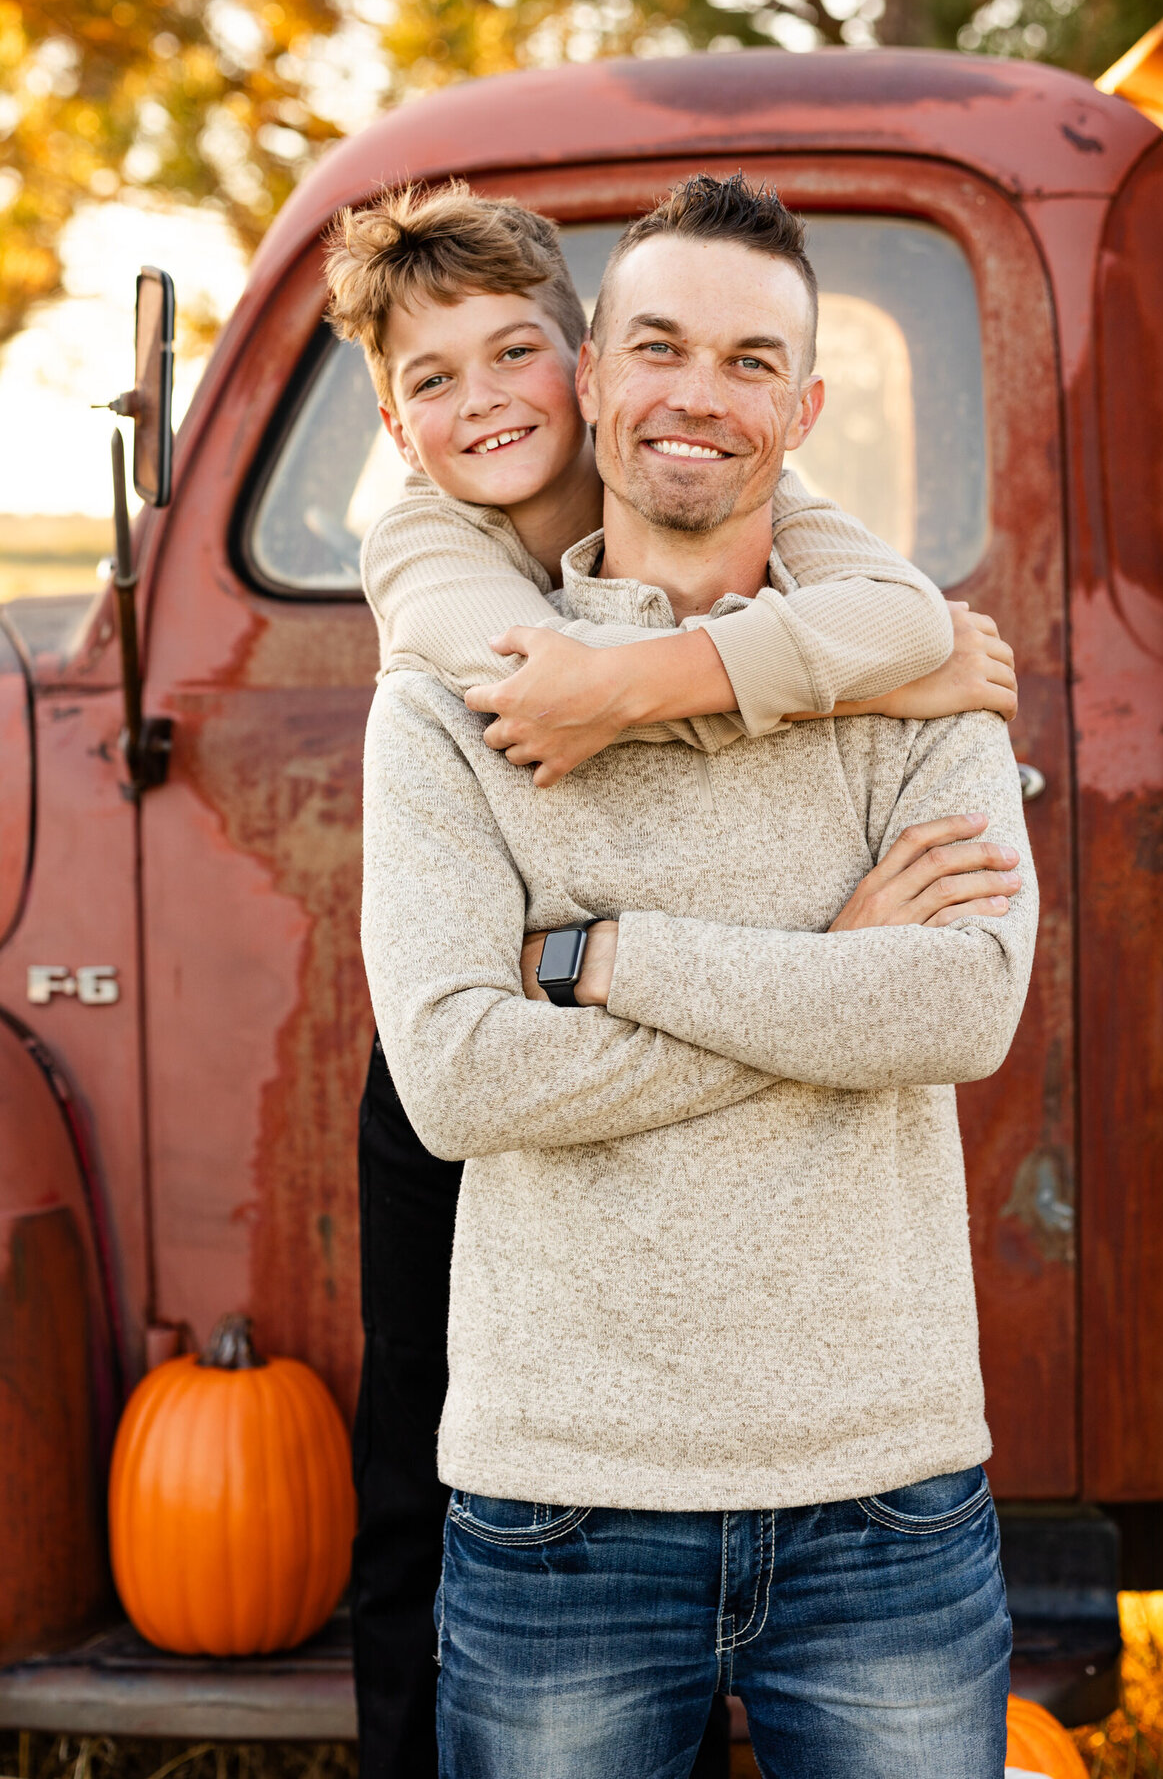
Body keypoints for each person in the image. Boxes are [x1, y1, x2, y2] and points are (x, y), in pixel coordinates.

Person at [356, 172, 1036, 1778]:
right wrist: (829, 980)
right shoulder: (441, 691)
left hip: (887, 1483)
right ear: (597, 377)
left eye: (750, 365)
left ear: (802, 410)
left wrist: (607, 962)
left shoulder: (916, 662)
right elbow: (458, 1078)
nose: (699, 397)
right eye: (659, 345)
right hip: (561, 1492)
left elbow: (961, 1007)